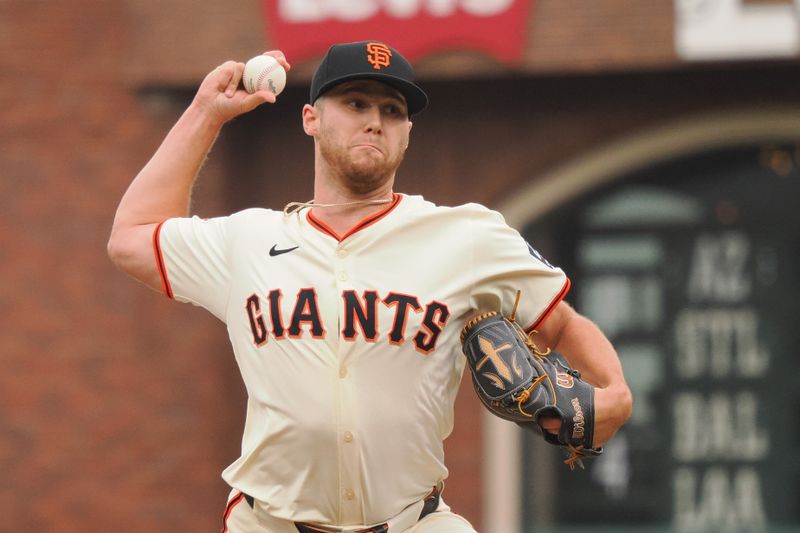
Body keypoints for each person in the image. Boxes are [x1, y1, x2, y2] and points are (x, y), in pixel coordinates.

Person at [107, 41, 632, 533]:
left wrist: (615, 394)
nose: (375, 122)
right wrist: (205, 113)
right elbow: (131, 237)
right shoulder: (247, 240)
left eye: (392, 111)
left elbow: (561, 322)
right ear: (310, 118)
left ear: (407, 132)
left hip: (414, 521)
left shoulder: (466, 235)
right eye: (355, 103)